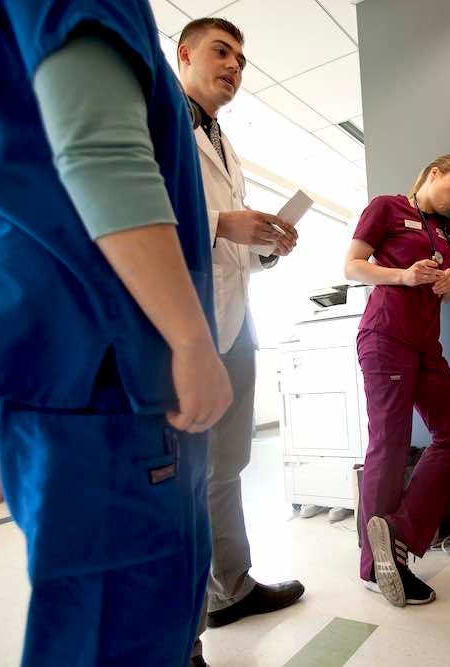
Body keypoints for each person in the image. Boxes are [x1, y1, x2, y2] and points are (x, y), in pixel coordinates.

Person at [0, 1, 232, 665]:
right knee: (121, 630)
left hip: (75, 344)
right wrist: (187, 337)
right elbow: (98, 148)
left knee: (132, 618)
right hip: (108, 346)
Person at [175, 16, 305, 663]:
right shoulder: (157, 121)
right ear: (186, 54)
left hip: (235, 326)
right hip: (183, 330)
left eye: (242, 59)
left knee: (227, 471)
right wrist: (224, 221)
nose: (235, 65)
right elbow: (145, 222)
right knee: (181, 484)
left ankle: (233, 586)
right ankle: (183, 633)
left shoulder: (228, 146)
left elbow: (233, 249)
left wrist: (268, 247)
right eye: (222, 52)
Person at [343, 155, 450, 607]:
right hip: (385, 337)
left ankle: (396, 532)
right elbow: (353, 266)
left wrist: (448, 285)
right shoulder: (386, 207)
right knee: (391, 443)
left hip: (426, 345)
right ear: (433, 173)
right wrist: (402, 274)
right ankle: (376, 568)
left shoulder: (448, 232)